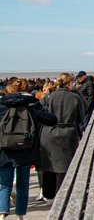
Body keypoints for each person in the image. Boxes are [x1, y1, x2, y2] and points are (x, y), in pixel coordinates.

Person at [0, 78, 57, 219]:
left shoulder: (2, 105)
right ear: (26, 89)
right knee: (22, 185)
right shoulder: (32, 104)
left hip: (4, 150)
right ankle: (20, 215)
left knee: (5, 185)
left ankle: (2, 214)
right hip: (26, 149)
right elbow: (52, 120)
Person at [39, 73, 86, 198]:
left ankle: (48, 195)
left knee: (49, 165)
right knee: (64, 166)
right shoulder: (74, 97)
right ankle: (62, 196)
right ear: (70, 83)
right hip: (67, 133)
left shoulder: (50, 96)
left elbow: (38, 108)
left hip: (48, 133)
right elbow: (82, 116)